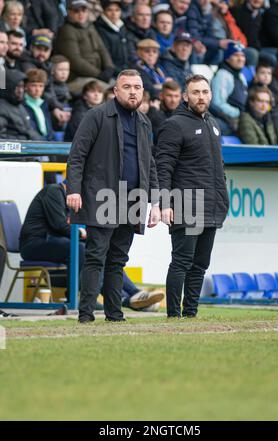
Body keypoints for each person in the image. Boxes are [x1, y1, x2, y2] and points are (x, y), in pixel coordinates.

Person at [66, 69, 161, 323]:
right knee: (96, 256)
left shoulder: (144, 122)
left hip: (133, 200)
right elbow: (77, 155)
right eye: (127, 86)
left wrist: (156, 202)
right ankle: (86, 314)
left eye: (137, 87)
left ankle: (114, 314)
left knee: (118, 260)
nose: (132, 91)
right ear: (115, 91)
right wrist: (74, 189)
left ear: (143, 92)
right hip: (102, 196)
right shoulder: (96, 115)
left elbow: (149, 164)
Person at [19, 181, 164, 310]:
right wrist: (84, 233)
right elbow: (60, 225)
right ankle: (109, 298)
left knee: (101, 251)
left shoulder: (68, 198)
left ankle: (134, 294)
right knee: (83, 250)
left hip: (56, 243)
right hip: (34, 244)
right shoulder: (53, 191)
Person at [156, 74, 229, 318]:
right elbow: (163, 167)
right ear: (185, 97)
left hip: (211, 206)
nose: (201, 96)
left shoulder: (214, 123)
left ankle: (191, 314)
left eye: (205, 92)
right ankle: (173, 315)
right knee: (182, 262)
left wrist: (222, 199)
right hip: (187, 205)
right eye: (195, 92)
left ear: (210, 94)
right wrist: (165, 203)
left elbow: (219, 166)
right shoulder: (174, 124)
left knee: (200, 265)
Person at [55, 0, 115, 95]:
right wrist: (99, 74)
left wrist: (109, 67)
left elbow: (102, 49)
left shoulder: (90, 26)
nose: (81, 14)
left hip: (96, 75)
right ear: (69, 12)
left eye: (84, 10)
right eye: (76, 11)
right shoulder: (66, 30)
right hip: (77, 78)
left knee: (121, 88)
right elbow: (75, 60)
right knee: (109, 93)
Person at [211, 41, 248, 135]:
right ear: (227, 58)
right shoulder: (223, 75)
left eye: (242, 55)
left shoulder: (241, 76)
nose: (240, 59)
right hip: (227, 119)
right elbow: (218, 103)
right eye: (236, 55)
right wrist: (239, 114)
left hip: (242, 119)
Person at [0, 69, 42, 140]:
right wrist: (24, 140)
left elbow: (29, 131)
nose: (20, 91)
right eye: (17, 87)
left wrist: (42, 143)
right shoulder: (2, 108)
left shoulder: (20, 106)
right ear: (8, 87)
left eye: (22, 86)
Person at [94, 0, 129, 74]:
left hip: (125, 68)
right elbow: (104, 57)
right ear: (103, 11)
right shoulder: (98, 28)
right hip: (111, 71)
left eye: (117, 10)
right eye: (110, 10)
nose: (114, 13)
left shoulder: (122, 26)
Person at [147, 79, 182, 145]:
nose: (173, 100)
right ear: (161, 96)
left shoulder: (184, 114)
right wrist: (153, 112)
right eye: (169, 96)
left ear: (181, 97)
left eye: (176, 96)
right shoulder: (154, 113)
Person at [24, 68, 54, 141]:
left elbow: (48, 129)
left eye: (41, 86)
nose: (37, 90)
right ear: (26, 86)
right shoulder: (22, 104)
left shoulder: (43, 104)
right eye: (34, 85)